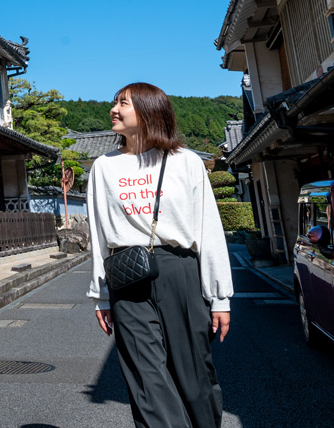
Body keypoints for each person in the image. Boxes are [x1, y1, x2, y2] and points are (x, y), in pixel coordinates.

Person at [86, 82, 233, 428]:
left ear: (149, 111)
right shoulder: (104, 167)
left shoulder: (186, 162)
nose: (114, 109)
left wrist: (220, 297)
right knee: (145, 377)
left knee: (193, 372)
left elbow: (208, 229)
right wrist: (101, 294)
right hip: (126, 273)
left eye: (123, 103)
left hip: (179, 269)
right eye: (115, 102)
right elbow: (98, 234)